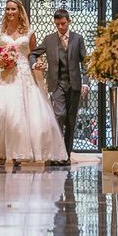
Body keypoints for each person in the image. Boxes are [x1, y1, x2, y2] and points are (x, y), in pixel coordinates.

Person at [0, 0, 68, 166]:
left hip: (24, 74)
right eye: (7, 9)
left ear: (19, 11)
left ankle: (18, 154)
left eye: (13, 9)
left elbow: (34, 54)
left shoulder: (29, 33)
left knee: (23, 115)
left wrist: (37, 64)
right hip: (3, 74)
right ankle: (2, 152)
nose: (9, 12)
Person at [30, 9, 89, 165]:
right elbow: (33, 54)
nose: (60, 27)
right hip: (57, 84)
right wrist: (35, 64)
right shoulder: (49, 39)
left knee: (71, 120)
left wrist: (85, 82)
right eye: (57, 24)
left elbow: (85, 62)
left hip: (75, 85)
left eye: (63, 24)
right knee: (59, 115)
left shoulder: (78, 39)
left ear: (69, 21)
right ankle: (56, 152)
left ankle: (66, 155)